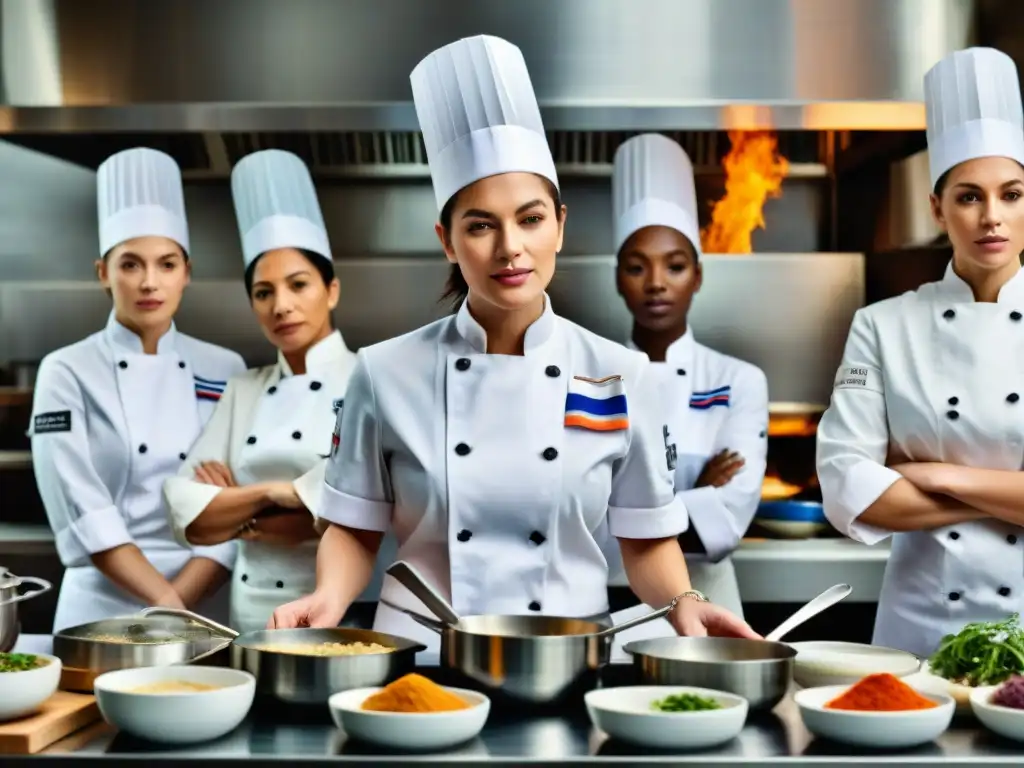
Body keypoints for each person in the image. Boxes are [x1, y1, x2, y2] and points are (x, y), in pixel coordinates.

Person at [268, 34, 757, 650]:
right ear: (448, 240)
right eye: (480, 226)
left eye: (530, 218)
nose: (510, 248)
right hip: (423, 656)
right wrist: (329, 596)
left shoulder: (622, 374)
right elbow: (355, 527)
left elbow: (647, 539)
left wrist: (684, 601)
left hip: (565, 652)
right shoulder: (383, 371)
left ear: (559, 226)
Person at [817, 47, 1024, 658]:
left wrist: (939, 475)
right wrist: (1009, 495)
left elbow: (886, 490)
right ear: (937, 208)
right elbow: (845, 485)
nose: (993, 218)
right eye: (968, 197)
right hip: (922, 636)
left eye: (1012, 194)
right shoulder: (882, 326)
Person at [163, 150, 389, 632]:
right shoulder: (245, 388)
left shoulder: (374, 378)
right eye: (263, 293)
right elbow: (187, 510)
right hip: (249, 615)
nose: (281, 306)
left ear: (331, 290)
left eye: (298, 285)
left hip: (343, 610)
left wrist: (237, 506)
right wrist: (280, 493)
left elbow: (356, 503)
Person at [29, 147, 244, 633]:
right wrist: (168, 603)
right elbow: (83, 507)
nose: (150, 282)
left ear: (186, 273)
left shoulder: (225, 367)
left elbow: (235, 506)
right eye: (130, 265)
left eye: (167, 264)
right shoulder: (65, 370)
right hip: (101, 609)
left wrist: (180, 608)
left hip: (204, 603)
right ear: (103, 273)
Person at [607, 134, 769, 629]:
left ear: (697, 276)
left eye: (674, 266)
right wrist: (692, 494)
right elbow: (579, 516)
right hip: (612, 603)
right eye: (637, 267)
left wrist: (630, 506)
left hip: (711, 601)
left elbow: (729, 520)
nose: (656, 282)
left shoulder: (739, 380)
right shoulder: (592, 378)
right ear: (618, 279)